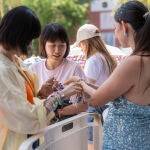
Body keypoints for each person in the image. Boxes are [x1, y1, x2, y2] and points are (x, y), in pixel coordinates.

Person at [66, 1, 150, 149]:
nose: (115, 33)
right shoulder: (144, 60)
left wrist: (83, 85)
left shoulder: (133, 63)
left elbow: (96, 100)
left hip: (125, 143)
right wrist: (86, 84)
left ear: (124, 26)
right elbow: (118, 92)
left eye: (115, 27)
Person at [0, 6, 82, 150]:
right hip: (13, 140)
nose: (30, 44)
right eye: (30, 39)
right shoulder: (3, 69)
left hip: (29, 138)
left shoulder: (14, 61)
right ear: (19, 36)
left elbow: (24, 101)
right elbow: (26, 116)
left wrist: (41, 94)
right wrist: (61, 94)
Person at [30, 23, 88, 120]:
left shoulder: (74, 68)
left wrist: (58, 112)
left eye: (61, 46)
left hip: (71, 127)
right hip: (44, 128)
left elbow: (85, 104)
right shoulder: (33, 70)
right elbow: (30, 103)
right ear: (44, 45)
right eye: (52, 45)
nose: (57, 50)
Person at [73, 23, 117, 143]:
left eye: (81, 45)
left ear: (86, 44)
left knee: (91, 143)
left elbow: (87, 89)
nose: (81, 49)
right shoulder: (107, 58)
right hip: (110, 107)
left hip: (97, 107)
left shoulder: (93, 60)